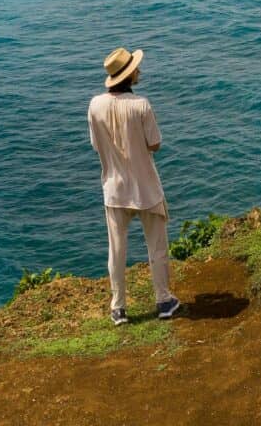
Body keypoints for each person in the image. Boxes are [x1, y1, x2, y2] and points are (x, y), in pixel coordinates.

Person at [88, 46, 181, 325]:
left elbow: (96, 145)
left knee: (116, 250)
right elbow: (155, 144)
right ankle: (163, 300)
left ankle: (118, 308)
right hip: (146, 187)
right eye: (136, 68)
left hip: (114, 188)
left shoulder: (95, 105)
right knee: (157, 245)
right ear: (129, 76)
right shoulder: (141, 105)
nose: (139, 71)